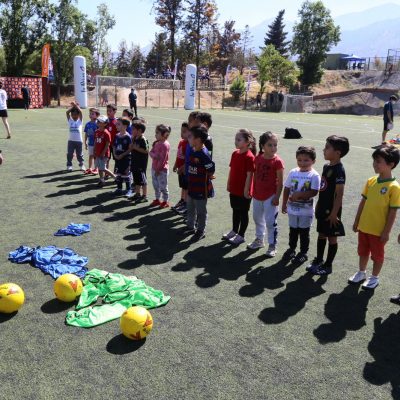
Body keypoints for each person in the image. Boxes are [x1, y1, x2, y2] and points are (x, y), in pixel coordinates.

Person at [348, 145, 400, 290]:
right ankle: (361, 272)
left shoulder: (394, 187)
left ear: (391, 164)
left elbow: (393, 212)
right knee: (362, 251)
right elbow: (363, 202)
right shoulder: (371, 181)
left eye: (378, 161)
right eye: (374, 161)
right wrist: (357, 220)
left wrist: (386, 232)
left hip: (378, 230)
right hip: (364, 226)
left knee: (377, 255)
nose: (374, 164)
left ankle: (374, 277)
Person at [307, 135, 350, 275]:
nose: (324, 150)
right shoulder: (326, 166)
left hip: (332, 211)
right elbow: (323, 188)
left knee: (332, 237)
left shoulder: (339, 170)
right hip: (322, 208)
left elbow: (339, 194)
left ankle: (328, 265)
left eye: (327, 147)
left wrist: (334, 213)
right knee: (321, 234)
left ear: (337, 152)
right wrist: (319, 204)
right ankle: (318, 260)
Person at [281, 146, 321, 266]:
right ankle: (292, 249)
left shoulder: (314, 175)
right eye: (299, 160)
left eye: (306, 160)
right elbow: (287, 188)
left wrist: (300, 195)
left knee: (304, 233)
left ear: (313, 161)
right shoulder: (293, 172)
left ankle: (303, 253)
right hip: (292, 209)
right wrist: (284, 204)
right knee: (293, 231)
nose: (302, 163)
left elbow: (314, 191)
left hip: (306, 211)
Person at [247, 132, 285, 257]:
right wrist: (251, 190)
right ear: (263, 146)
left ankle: (272, 245)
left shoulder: (278, 162)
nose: (273, 148)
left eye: (275, 145)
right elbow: (254, 176)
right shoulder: (258, 158)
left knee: (270, 222)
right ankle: (259, 240)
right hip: (257, 195)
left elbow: (280, 182)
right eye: (270, 145)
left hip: (270, 197)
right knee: (257, 218)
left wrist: (277, 197)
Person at [223, 129, 256, 245]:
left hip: (244, 191)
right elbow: (231, 170)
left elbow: (250, 175)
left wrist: (246, 190)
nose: (236, 142)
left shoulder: (250, 157)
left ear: (247, 142)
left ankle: (241, 235)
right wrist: (228, 183)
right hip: (234, 188)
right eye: (235, 139)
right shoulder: (234, 153)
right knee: (235, 210)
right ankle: (234, 231)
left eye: (239, 139)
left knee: (243, 212)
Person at [185, 125, 216, 241]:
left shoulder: (203, 154)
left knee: (201, 211)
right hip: (192, 186)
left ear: (197, 140)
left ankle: (200, 230)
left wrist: (208, 174)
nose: (188, 139)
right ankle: (190, 227)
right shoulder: (194, 150)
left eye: (190, 137)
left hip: (201, 189)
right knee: (190, 208)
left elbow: (211, 168)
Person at [149, 124, 171, 208]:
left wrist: (158, 169)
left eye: (157, 133)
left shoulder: (165, 145)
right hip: (154, 168)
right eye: (156, 132)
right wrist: (154, 155)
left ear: (164, 135)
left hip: (162, 170)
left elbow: (163, 159)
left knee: (163, 186)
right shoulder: (156, 143)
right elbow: (151, 152)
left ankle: (165, 201)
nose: (155, 134)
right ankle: (157, 199)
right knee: (156, 185)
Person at [172, 122, 190, 213]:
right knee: (183, 186)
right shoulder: (181, 142)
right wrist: (176, 165)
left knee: (186, 187)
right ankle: (182, 200)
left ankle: (186, 203)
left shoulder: (189, 145)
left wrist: (183, 168)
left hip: (185, 171)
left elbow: (188, 159)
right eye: (181, 131)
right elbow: (178, 156)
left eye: (184, 131)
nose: (182, 133)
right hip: (180, 170)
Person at [130, 120, 149, 202]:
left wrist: (135, 148)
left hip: (141, 164)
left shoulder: (143, 139)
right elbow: (132, 148)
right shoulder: (134, 138)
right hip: (135, 163)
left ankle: (144, 196)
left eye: (133, 129)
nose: (132, 131)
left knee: (143, 180)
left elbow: (146, 150)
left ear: (140, 131)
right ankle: (138, 194)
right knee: (136, 179)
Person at [94, 115, 116, 187]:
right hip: (97, 153)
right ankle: (102, 180)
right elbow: (95, 142)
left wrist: (103, 152)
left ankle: (115, 177)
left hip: (104, 154)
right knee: (99, 168)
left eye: (101, 122)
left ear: (105, 124)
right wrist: (94, 151)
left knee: (103, 168)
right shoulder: (96, 132)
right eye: (98, 121)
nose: (99, 123)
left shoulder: (106, 133)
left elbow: (107, 144)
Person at [113, 117, 133, 196]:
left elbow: (130, 149)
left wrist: (122, 155)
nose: (116, 126)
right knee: (118, 174)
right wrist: (114, 154)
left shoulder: (128, 137)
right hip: (118, 159)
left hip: (125, 159)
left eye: (118, 124)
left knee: (126, 174)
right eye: (116, 124)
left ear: (125, 126)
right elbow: (114, 146)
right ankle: (119, 188)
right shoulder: (117, 135)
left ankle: (128, 190)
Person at [66, 102, 85, 172]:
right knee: (70, 153)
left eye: (76, 114)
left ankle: (81, 164)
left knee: (79, 154)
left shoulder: (80, 121)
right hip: (71, 141)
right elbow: (67, 113)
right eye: (73, 114)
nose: (74, 116)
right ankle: (69, 165)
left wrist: (76, 106)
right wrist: (73, 107)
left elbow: (81, 112)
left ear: (78, 115)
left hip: (79, 141)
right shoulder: (70, 121)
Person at [84, 107, 100, 175]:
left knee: (96, 156)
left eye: (93, 114)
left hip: (96, 143)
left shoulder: (98, 124)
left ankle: (96, 168)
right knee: (91, 156)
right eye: (90, 114)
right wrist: (85, 142)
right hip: (90, 143)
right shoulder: (87, 124)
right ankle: (90, 168)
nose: (91, 115)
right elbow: (86, 134)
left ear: (97, 115)